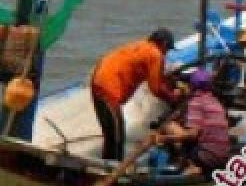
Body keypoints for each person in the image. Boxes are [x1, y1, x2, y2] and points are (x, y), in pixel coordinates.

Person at [90, 28, 180, 160]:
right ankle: (114, 170)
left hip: (98, 80)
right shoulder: (155, 54)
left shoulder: (142, 46)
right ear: (164, 44)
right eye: (168, 49)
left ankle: (107, 165)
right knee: (117, 136)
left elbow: (155, 77)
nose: (166, 53)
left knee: (111, 134)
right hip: (108, 88)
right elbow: (156, 88)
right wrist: (173, 99)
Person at [153, 68, 231, 176]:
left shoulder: (196, 102)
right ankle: (192, 164)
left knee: (170, 126)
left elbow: (192, 135)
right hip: (222, 158)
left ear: (192, 86)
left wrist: (165, 139)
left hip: (206, 157)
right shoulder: (215, 101)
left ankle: (191, 165)